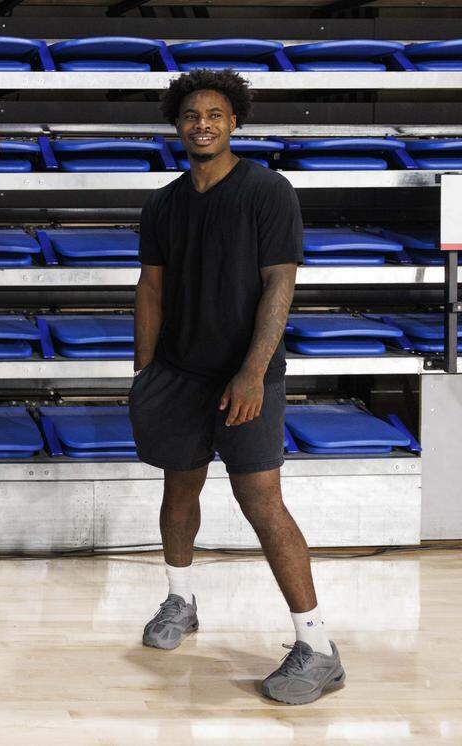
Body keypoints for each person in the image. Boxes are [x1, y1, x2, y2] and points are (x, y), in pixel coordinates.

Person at [129, 69, 345, 705]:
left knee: (262, 501)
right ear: (177, 124)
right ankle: (180, 600)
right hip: (179, 374)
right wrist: (145, 372)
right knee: (178, 491)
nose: (202, 124)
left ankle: (318, 647)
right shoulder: (163, 203)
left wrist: (252, 371)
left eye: (215, 115)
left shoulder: (266, 190)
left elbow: (281, 283)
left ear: (234, 122)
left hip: (248, 375)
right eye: (191, 115)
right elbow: (150, 289)